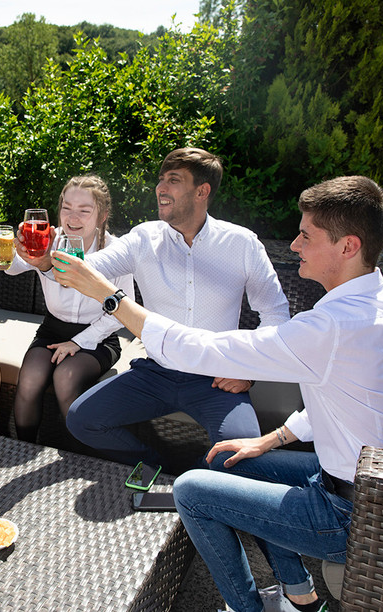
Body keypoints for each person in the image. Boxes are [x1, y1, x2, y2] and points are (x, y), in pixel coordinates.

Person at [51, 175, 383, 612]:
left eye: (306, 235)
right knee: (241, 459)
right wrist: (269, 439)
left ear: (348, 247)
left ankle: (247, 608)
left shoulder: (330, 328)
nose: (295, 245)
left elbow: (201, 349)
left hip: (351, 514)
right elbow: (351, 399)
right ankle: (299, 596)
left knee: (192, 489)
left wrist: (109, 297)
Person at [58, 148, 290, 467]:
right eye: (161, 179)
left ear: (202, 191)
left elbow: (277, 315)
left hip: (214, 378)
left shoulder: (242, 244)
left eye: (174, 180)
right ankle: (159, 466)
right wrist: (39, 255)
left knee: (240, 459)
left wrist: (247, 371)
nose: (160, 188)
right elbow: (86, 268)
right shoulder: (143, 239)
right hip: (156, 373)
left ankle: (197, 479)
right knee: (81, 420)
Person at [0, 175, 135, 443]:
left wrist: (78, 342)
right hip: (53, 330)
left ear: (102, 215)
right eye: (67, 207)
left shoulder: (117, 250)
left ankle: (78, 455)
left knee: (66, 376)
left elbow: (120, 313)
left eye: (84, 210)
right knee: (29, 378)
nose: (73, 217)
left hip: (97, 337)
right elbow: (16, 266)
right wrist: (1, 259)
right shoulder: (48, 239)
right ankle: (24, 448)